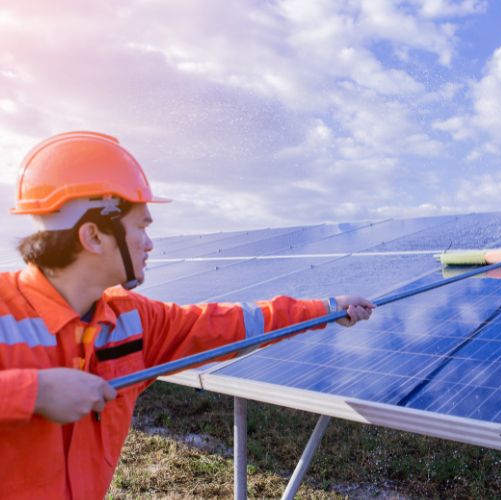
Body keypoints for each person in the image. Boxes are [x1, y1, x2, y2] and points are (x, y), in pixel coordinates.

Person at [0, 131, 375, 498]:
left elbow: (230, 324)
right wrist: (33, 393)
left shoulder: (132, 320)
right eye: (140, 227)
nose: (149, 243)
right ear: (94, 236)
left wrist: (326, 309)